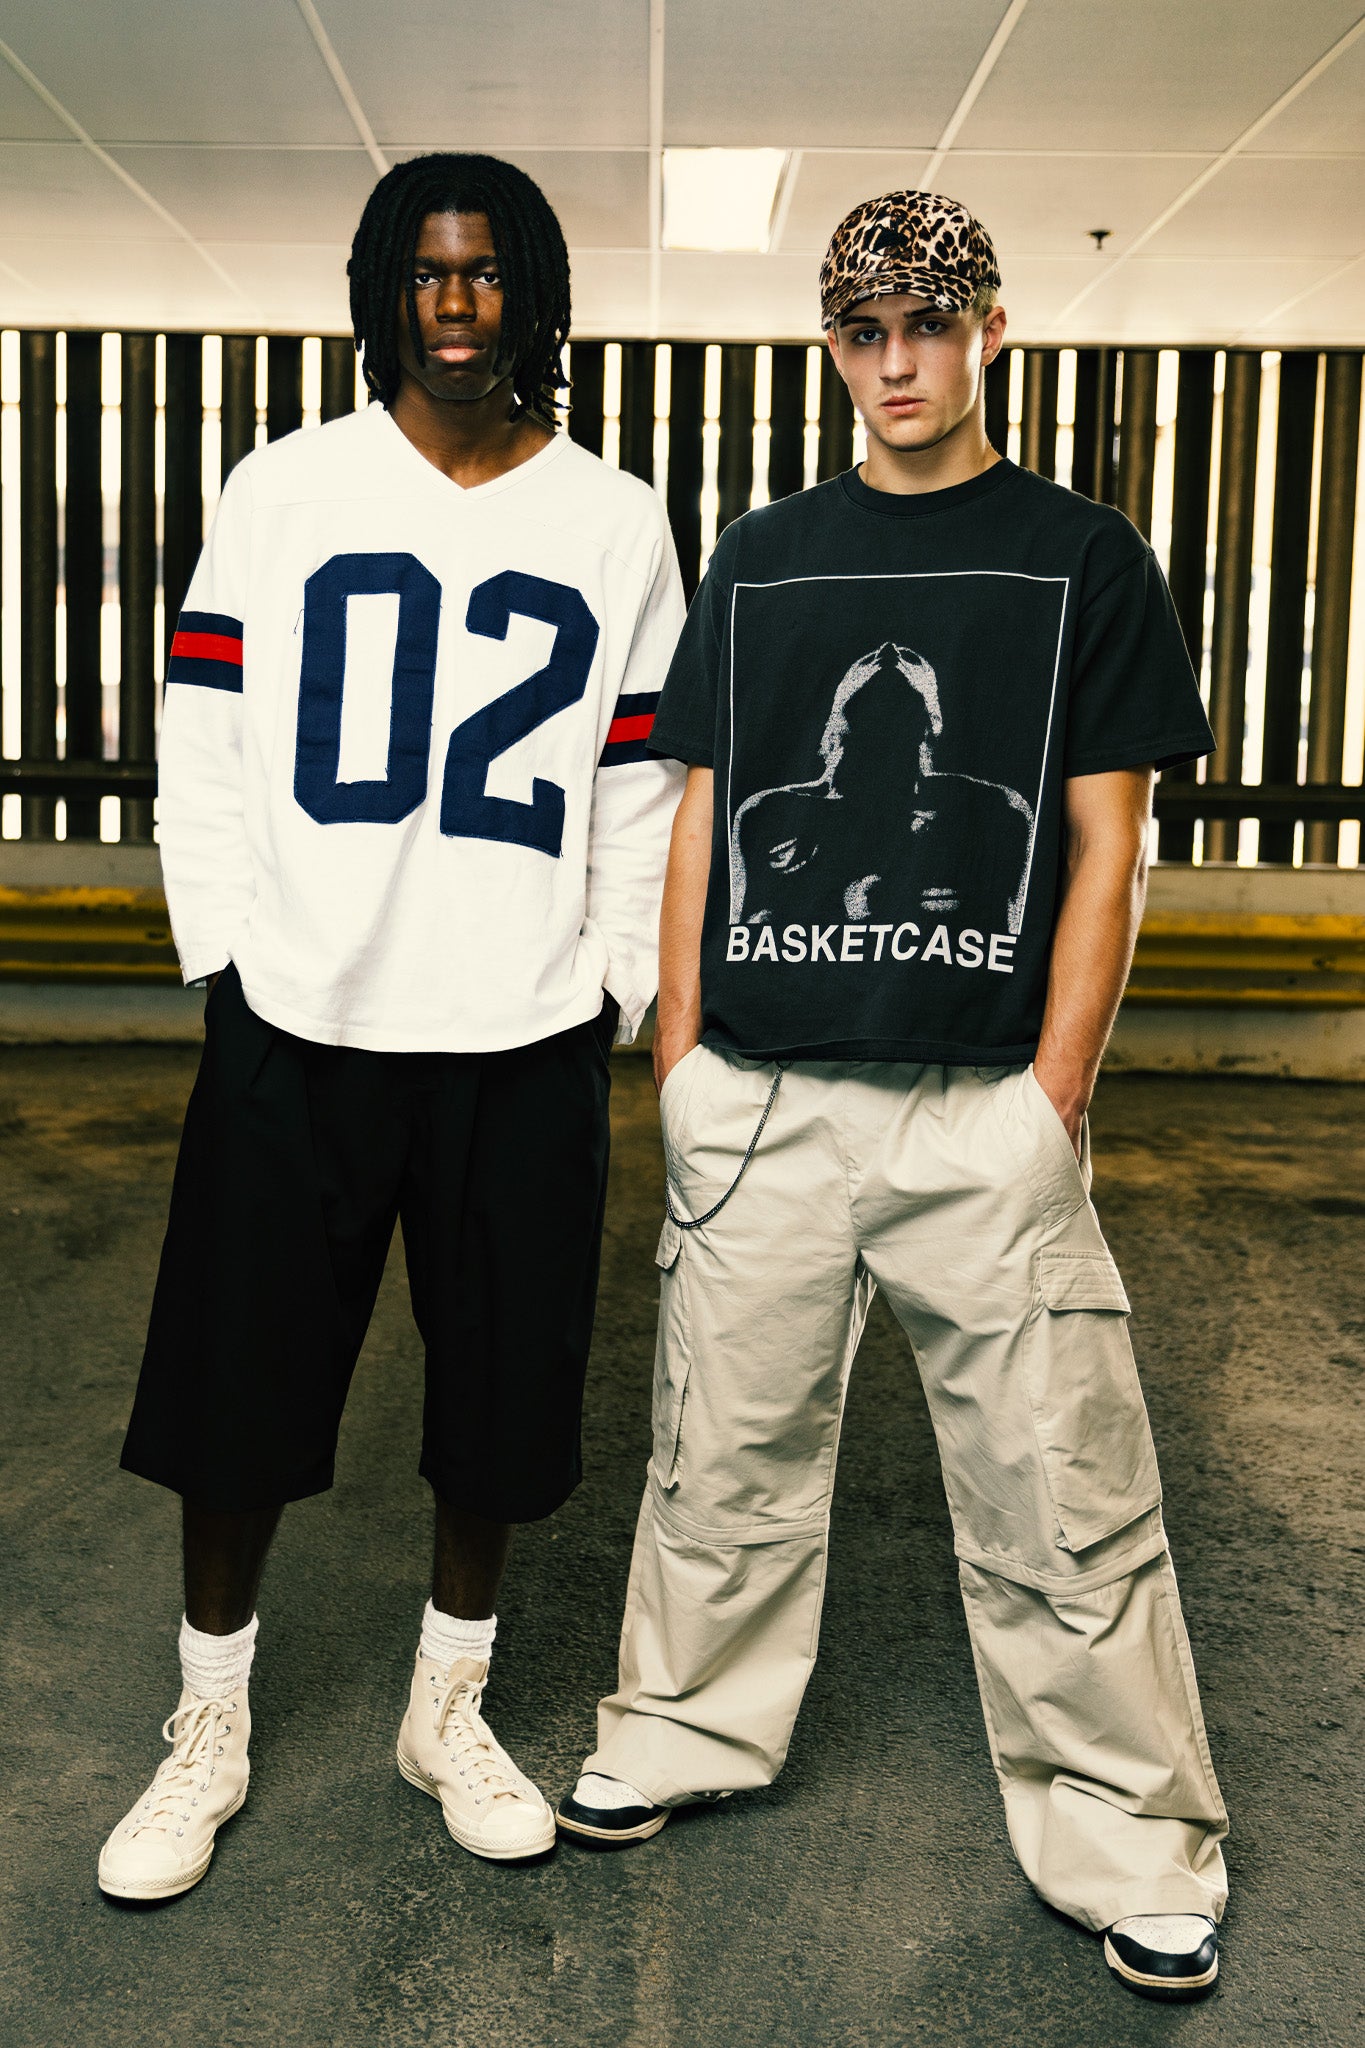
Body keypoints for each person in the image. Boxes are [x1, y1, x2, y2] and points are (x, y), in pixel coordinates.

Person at [557, 190, 1228, 2006]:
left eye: (929, 323)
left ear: (990, 328)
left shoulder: (1081, 558)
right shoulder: (765, 556)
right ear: (832, 347)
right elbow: (702, 813)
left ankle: (1128, 1838)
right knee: (721, 1457)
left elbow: (1107, 847)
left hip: (977, 1104)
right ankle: (680, 1730)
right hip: (763, 1099)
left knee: (1055, 1488)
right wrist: (682, 1060)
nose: (897, 362)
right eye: (862, 331)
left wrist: (1053, 1095)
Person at [98, 152, 684, 1900]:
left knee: (502, 1393)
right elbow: (205, 737)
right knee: (237, 1383)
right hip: (301, 1014)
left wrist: (610, 982)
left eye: (485, 271)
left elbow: (640, 780)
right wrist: (225, 954)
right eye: (424, 271)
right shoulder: (284, 489)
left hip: (520, 1031)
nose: (454, 302)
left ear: (533, 296)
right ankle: (211, 1720)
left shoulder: (614, 518)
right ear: (380, 293)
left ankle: (449, 1707)